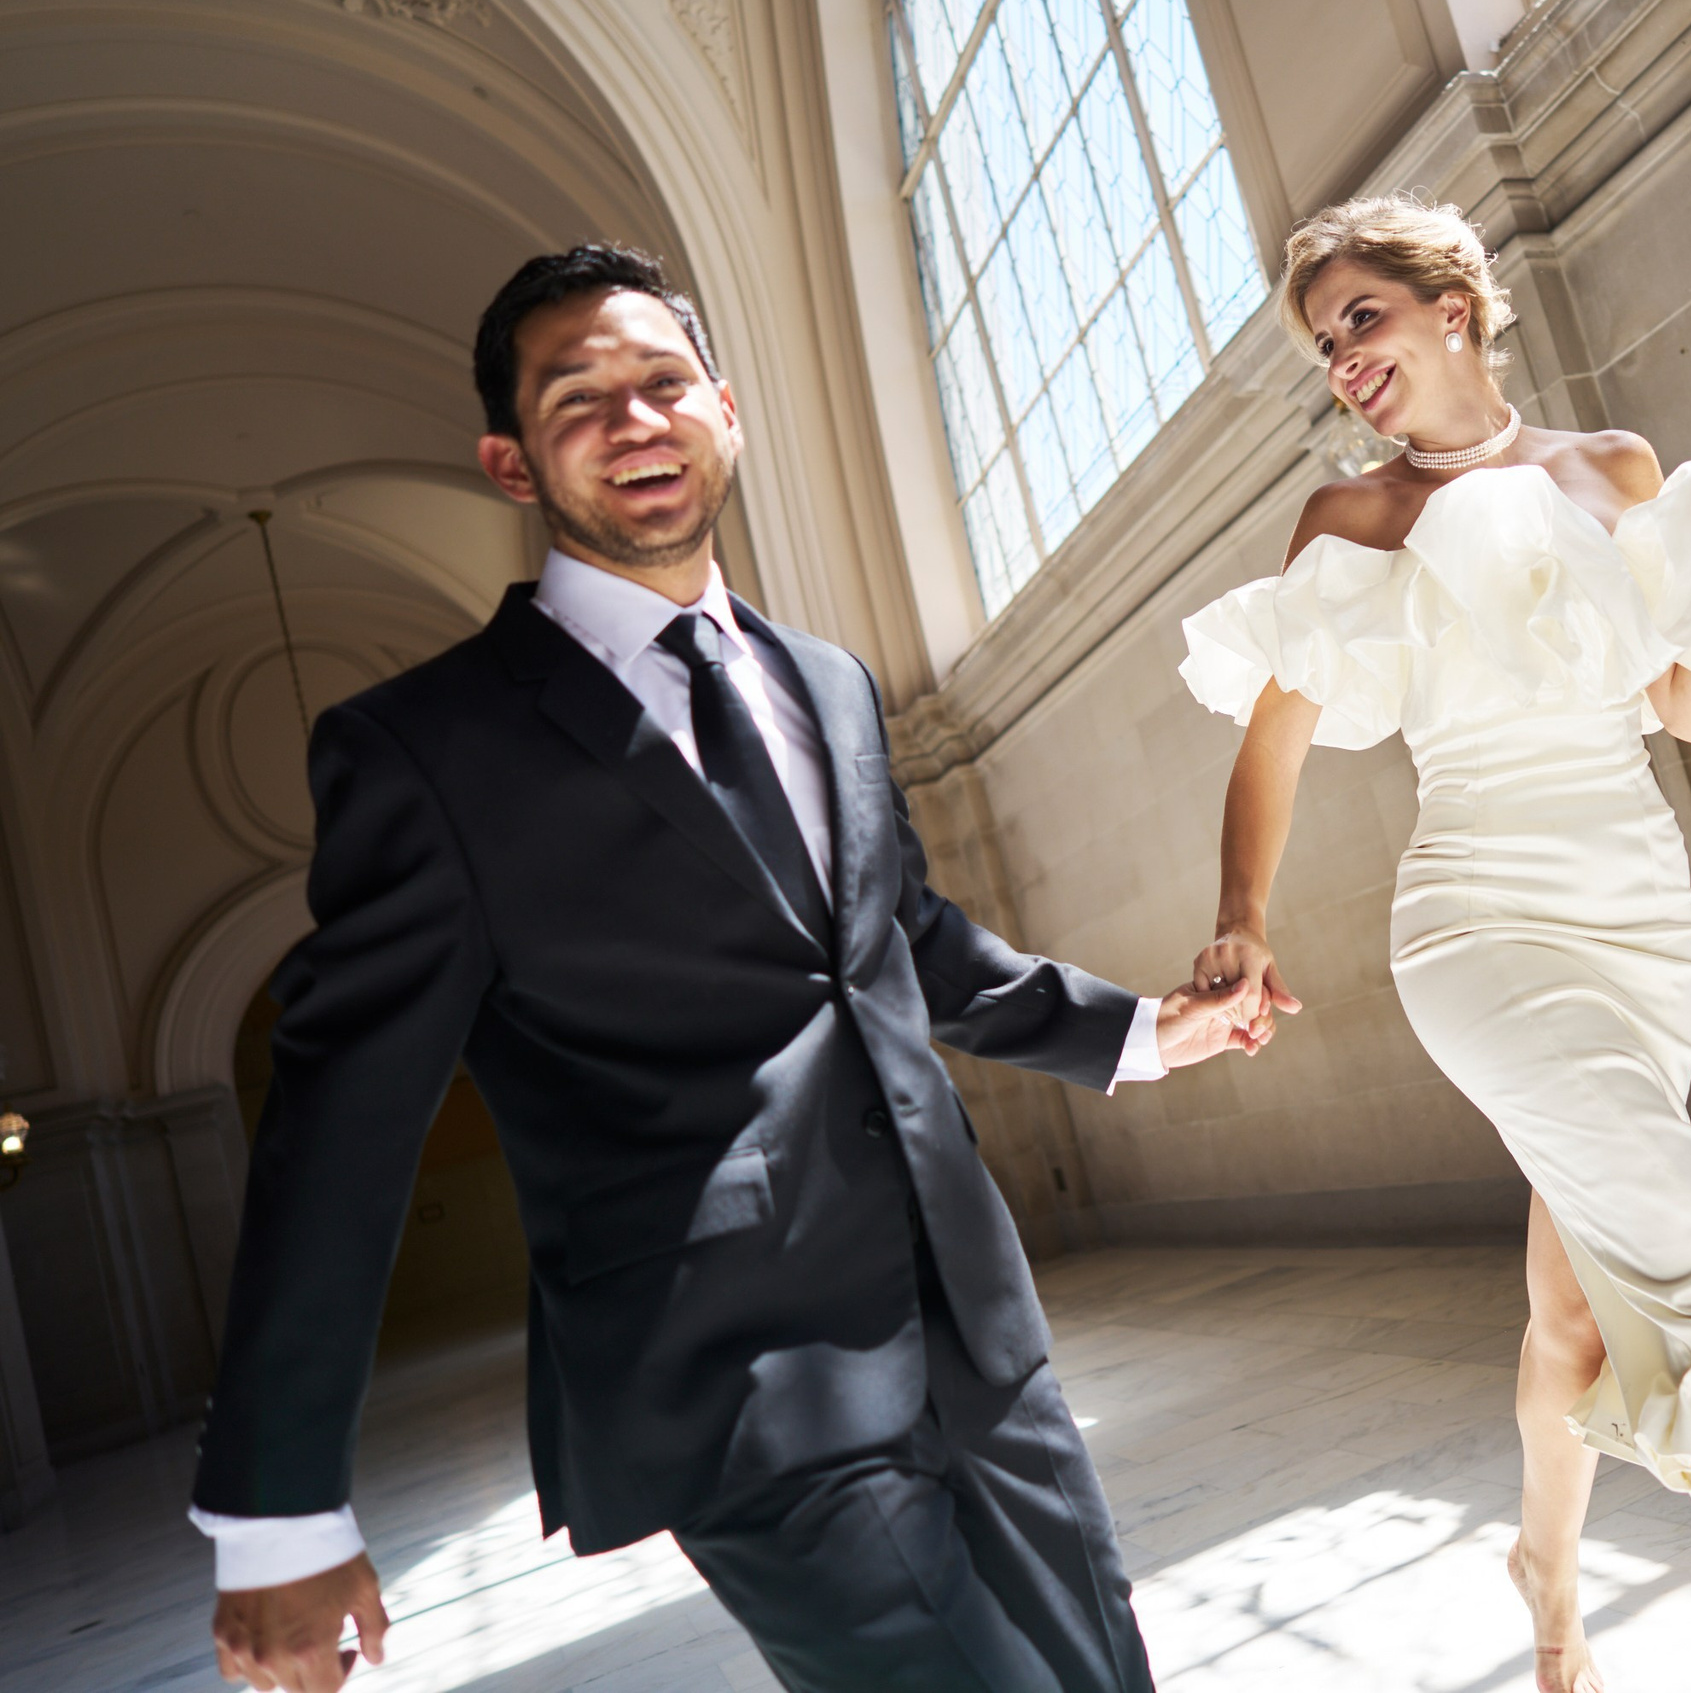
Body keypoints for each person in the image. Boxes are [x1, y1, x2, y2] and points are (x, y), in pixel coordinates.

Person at [191, 244, 1259, 1693]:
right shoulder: (427, 754)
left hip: (969, 1321)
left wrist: (1140, 1035)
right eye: (579, 399)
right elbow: (339, 1125)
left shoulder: (825, 679)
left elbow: (895, 942)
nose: (635, 418)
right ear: (510, 462)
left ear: (725, 411)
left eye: (662, 381)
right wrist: (277, 1512)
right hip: (734, 1376)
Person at [1177, 197, 1691, 1693]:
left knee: (1576, 1317)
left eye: (1359, 317)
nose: (1341, 359)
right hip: (1476, 925)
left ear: (1451, 306)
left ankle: (1547, 1583)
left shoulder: (1615, 471)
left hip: (1643, 928)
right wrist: (1240, 918)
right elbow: (1275, 742)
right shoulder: (1352, 519)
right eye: (1321, 344)